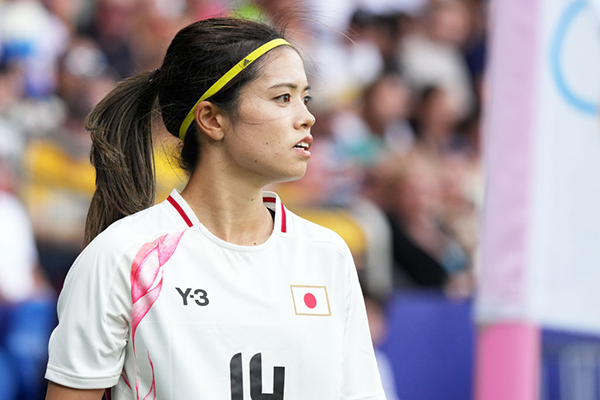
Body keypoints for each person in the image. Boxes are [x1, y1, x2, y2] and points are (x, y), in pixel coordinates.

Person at [45, 17, 386, 400]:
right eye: (282, 97)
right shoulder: (122, 256)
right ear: (212, 118)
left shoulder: (329, 254)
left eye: (304, 98)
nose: (307, 117)